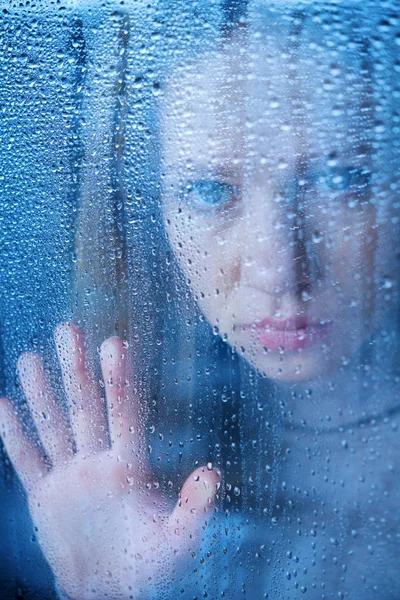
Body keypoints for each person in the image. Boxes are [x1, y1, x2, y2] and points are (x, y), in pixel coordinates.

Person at [1, 2, 399, 598]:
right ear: (155, 218)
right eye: (210, 191)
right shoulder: (128, 464)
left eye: (342, 181)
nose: (281, 271)